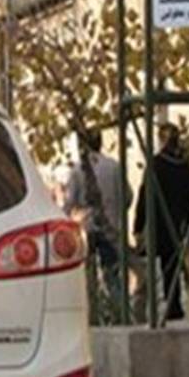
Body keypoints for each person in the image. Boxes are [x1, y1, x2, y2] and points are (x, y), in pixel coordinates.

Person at [133, 123, 189, 320]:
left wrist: (138, 225)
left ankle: (174, 305)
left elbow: (144, 196)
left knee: (169, 263)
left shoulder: (157, 164)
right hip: (187, 219)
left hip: (165, 223)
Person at [63, 130, 132, 308]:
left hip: (87, 228)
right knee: (112, 275)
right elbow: (128, 196)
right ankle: (119, 311)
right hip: (111, 228)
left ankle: (94, 311)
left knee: (88, 277)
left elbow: (69, 204)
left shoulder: (77, 171)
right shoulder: (114, 167)